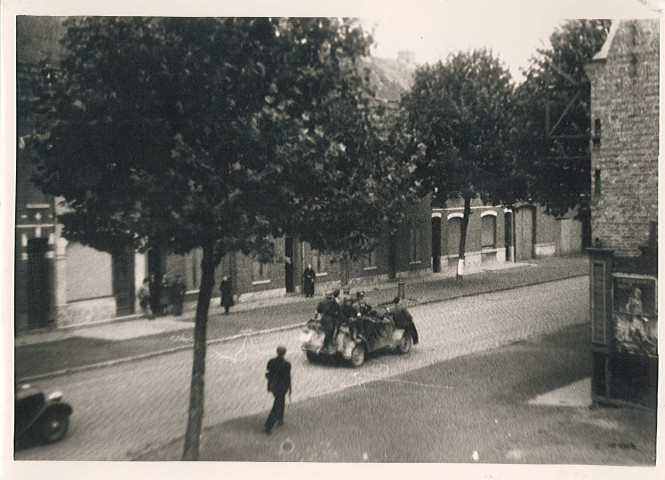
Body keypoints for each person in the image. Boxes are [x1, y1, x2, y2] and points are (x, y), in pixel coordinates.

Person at [264, 345, 292, 435]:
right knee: (277, 404)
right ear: (285, 353)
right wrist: (289, 388)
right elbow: (288, 378)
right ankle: (268, 426)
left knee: (280, 401)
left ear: (277, 352)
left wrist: (269, 386)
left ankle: (280, 418)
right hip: (282, 387)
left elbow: (269, 373)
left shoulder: (271, 361)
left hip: (273, 386)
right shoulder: (287, 364)